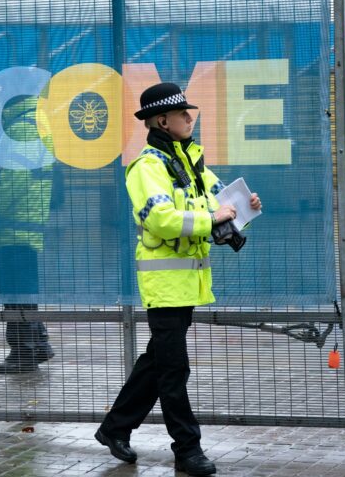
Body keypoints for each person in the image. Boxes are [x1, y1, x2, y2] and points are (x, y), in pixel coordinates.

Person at [94, 82, 262, 476]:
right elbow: (161, 219)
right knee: (173, 370)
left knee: (159, 362)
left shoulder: (191, 162)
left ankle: (115, 427)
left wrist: (244, 206)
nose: (191, 117)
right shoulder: (147, 166)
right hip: (165, 286)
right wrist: (213, 218)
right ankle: (187, 450)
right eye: (184, 113)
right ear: (163, 121)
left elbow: (221, 201)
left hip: (185, 284)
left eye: (190, 112)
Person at [0, 95, 55, 374]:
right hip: (23, 226)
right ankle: (38, 345)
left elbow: (12, 182)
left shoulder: (21, 129)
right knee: (22, 290)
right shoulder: (37, 125)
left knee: (15, 291)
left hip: (12, 226)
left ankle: (24, 352)